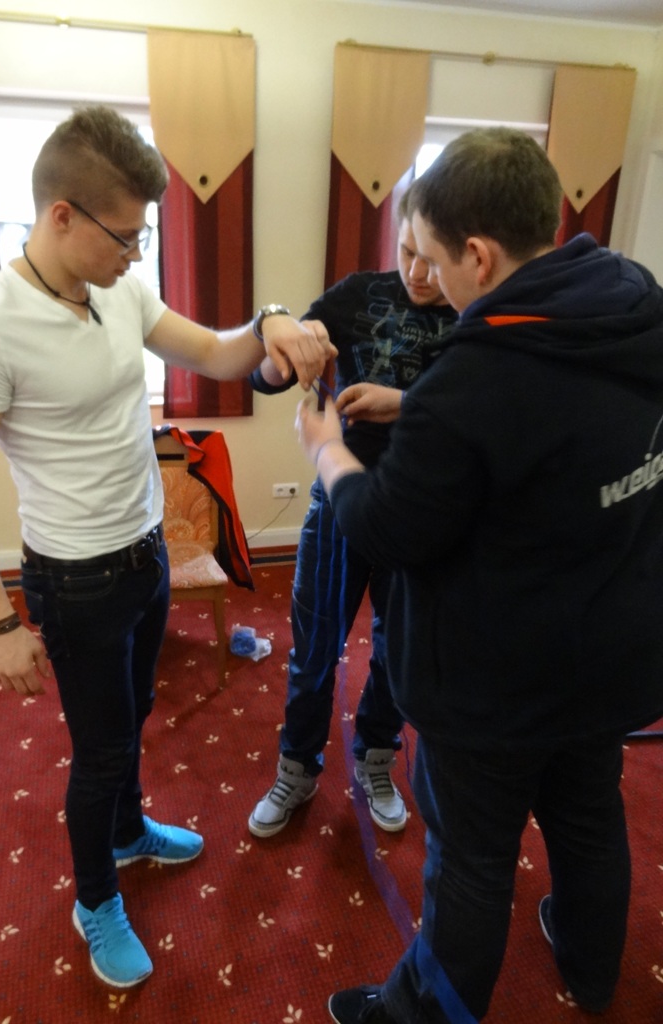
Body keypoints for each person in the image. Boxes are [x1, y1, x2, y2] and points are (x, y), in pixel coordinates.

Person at [0, 105, 334, 991]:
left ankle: (125, 831)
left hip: (145, 553)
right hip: (73, 581)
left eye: (142, 235)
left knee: (134, 714)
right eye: (125, 235)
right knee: (101, 750)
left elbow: (221, 356)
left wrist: (272, 321)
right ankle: (95, 898)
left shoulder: (118, 290)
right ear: (60, 215)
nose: (135, 254)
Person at [295, 127, 663, 1024]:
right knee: (587, 815)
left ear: (479, 255)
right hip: (614, 649)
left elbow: (388, 526)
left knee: (470, 860)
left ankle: (419, 1016)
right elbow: (551, 443)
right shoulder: (636, 306)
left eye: (429, 255)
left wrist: (330, 450)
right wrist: (414, 407)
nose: (422, 274)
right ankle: (591, 966)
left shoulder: (475, 374)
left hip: (497, 680)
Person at [247, 190, 457, 839]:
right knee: (315, 647)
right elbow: (264, 378)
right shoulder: (358, 294)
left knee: (400, 651)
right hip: (340, 501)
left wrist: (404, 401)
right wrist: (281, 338)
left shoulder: (475, 313)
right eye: (406, 252)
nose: (417, 272)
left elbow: (490, 415)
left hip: (422, 508)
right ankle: (298, 766)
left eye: (432, 260)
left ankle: (376, 760)